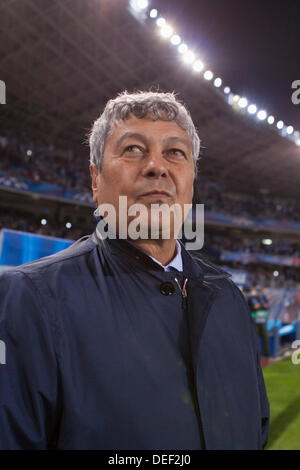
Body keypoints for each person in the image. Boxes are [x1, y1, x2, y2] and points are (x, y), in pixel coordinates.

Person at [0, 91, 269, 450]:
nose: (157, 166)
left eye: (175, 152)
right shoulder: (29, 300)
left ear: (192, 180)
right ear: (95, 180)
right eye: (133, 149)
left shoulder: (229, 299)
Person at [247, 285, 270, 359]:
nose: (259, 293)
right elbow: (255, 306)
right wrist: (262, 306)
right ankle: (255, 356)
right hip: (255, 322)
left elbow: (267, 306)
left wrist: (261, 306)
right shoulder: (251, 298)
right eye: (258, 291)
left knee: (265, 338)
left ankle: (267, 356)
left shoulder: (264, 297)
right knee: (255, 339)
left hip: (262, 321)